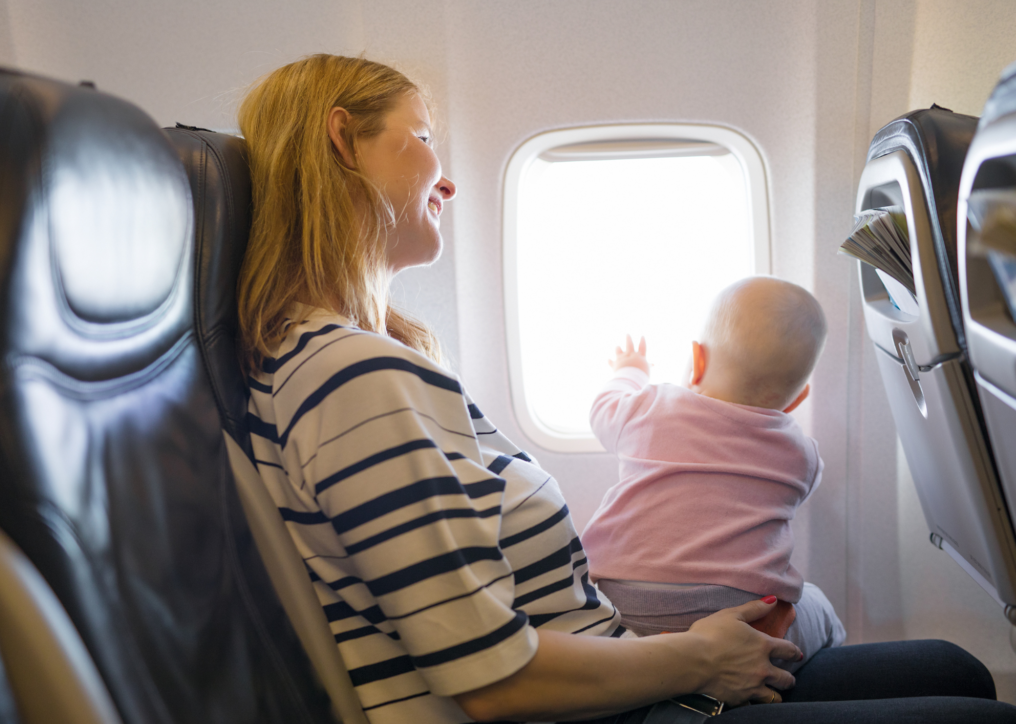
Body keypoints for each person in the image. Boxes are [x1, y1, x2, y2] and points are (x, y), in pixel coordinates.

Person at [236, 54, 1016, 724]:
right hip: (608, 707)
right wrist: (696, 659)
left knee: (957, 672)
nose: (447, 182)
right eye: (426, 139)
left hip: (619, 673)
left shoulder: (357, 362)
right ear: (344, 140)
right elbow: (489, 677)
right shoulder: (352, 375)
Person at [582, 278, 845, 673]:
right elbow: (803, 489)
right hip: (746, 623)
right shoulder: (802, 455)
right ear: (798, 398)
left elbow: (603, 408)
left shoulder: (651, 407)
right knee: (818, 605)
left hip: (622, 611)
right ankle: (826, 673)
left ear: (697, 360)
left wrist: (631, 370)